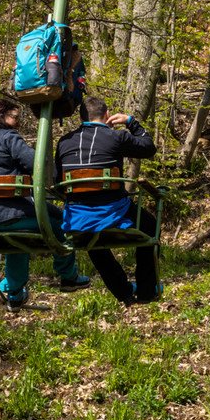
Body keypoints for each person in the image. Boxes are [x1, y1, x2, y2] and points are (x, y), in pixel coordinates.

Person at [0, 96, 88, 309]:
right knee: (62, 221)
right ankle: (68, 276)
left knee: (18, 240)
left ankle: (15, 292)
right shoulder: (8, 137)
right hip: (8, 215)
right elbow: (35, 162)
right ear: (0, 116)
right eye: (15, 117)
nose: (18, 122)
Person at [57, 94, 160, 305]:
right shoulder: (116, 137)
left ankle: (124, 293)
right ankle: (147, 291)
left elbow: (56, 180)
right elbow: (149, 147)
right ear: (107, 115)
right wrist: (131, 122)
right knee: (150, 226)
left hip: (77, 218)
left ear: (81, 119)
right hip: (114, 212)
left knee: (89, 236)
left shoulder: (64, 142)